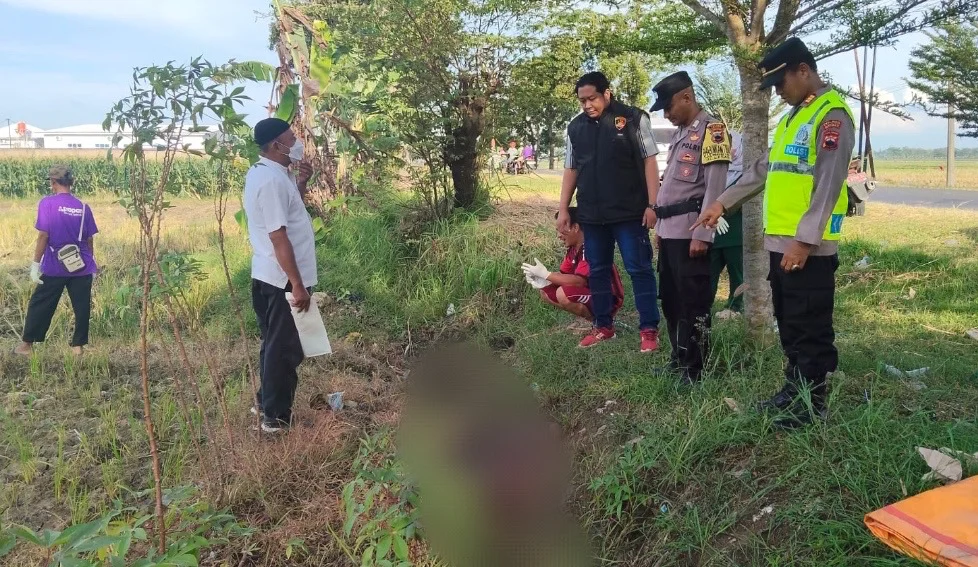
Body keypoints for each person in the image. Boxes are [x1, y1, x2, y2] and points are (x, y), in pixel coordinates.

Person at [692, 37, 856, 428]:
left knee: (810, 325)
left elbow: (829, 183)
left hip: (806, 248)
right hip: (779, 242)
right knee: (790, 320)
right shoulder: (793, 118)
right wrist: (722, 202)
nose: (779, 93)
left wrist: (804, 240)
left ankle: (811, 405)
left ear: (803, 71)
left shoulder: (832, 116)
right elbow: (764, 170)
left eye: (781, 84)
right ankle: (793, 389)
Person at [558, 71, 662, 352]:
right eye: (582, 101)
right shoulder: (575, 128)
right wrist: (563, 209)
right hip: (592, 215)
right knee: (598, 271)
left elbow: (649, 161)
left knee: (639, 268)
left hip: (629, 212)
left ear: (607, 93)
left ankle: (649, 330)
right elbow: (571, 169)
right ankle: (603, 326)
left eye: (592, 98)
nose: (587, 105)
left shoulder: (633, 118)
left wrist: (654, 205)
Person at [648, 71, 730, 384]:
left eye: (668, 108)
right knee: (670, 300)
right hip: (671, 232)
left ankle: (693, 370)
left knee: (693, 304)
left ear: (686, 97)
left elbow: (715, 189)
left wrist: (703, 234)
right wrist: (660, 229)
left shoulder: (713, 131)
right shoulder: (682, 134)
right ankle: (677, 358)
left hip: (691, 235)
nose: (667, 115)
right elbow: (672, 188)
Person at [244, 117, 318, 434]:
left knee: (273, 345)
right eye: (291, 137)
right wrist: (298, 285)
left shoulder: (271, 172)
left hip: (269, 275)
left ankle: (266, 402)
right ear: (276, 145)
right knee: (286, 349)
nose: (297, 140)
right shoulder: (271, 181)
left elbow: (288, 212)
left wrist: (301, 184)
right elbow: (278, 236)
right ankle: (275, 418)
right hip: (282, 279)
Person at [15, 165, 98, 357]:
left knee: (41, 303)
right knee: (82, 306)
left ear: (53, 183)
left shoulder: (47, 204)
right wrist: (92, 264)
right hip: (81, 266)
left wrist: (36, 264)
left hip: (55, 266)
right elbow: (89, 239)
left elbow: (44, 235)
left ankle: (26, 346)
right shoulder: (84, 208)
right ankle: (78, 347)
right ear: (72, 183)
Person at [522, 207, 625, 323]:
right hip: (591, 292)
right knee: (546, 292)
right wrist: (544, 280)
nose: (559, 236)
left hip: (609, 298)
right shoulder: (573, 250)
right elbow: (563, 275)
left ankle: (602, 324)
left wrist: (546, 274)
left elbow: (579, 281)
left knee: (563, 293)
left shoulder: (590, 248)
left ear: (575, 227)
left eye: (561, 230)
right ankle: (595, 322)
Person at [709, 130, 745, 315]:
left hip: (736, 232)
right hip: (713, 231)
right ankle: (705, 303)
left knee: (737, 271)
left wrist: (726, 209)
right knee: (710, 270)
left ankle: (736, 306)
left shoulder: (745, 173)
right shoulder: (715, 170)